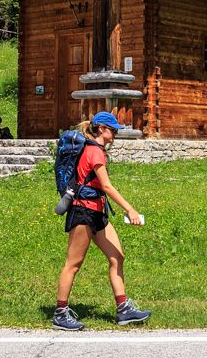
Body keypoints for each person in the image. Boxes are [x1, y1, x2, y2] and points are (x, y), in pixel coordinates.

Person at [52, 111, 151, 331]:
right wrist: (130, 209)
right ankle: (60, 313)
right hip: (83, 212)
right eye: (112, 130)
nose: (115, 134)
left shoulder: (96, 150)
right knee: (73, 264)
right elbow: (106, 186)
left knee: (117, 256)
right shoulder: (95, 151)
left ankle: (123, 308)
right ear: (101, 129)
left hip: (98, 212)